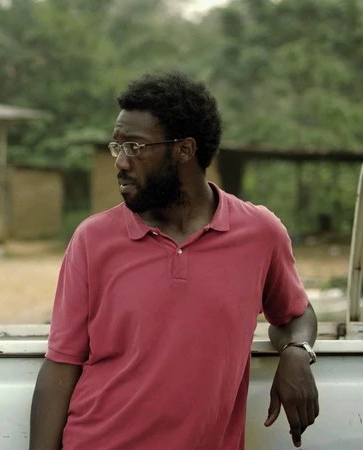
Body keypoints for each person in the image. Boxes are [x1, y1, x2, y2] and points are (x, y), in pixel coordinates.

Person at [30, 72, 319, 450]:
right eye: (116, 147)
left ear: (184, 150)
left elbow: (295, 314)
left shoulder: (259, 233)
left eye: (134, 146)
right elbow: (61, 364)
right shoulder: (93, 239)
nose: (120, 162)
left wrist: (298, 352)